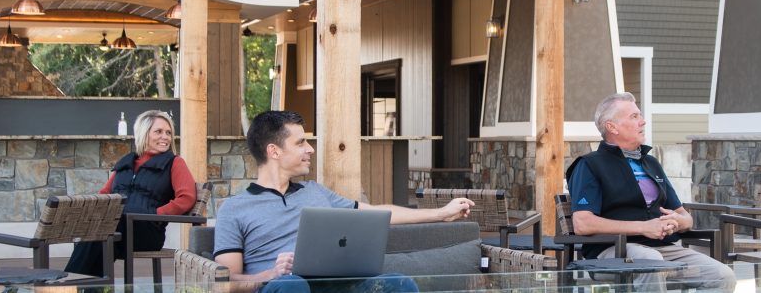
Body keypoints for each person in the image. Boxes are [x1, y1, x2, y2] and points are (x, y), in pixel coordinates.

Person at [212, 110, 474, 293]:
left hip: (336, 284)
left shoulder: (315, 192)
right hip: (281, 287)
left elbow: (375, 212)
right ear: (274, 151)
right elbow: (224, 281)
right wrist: (267, 276)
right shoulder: (235, 209)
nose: (310, 149)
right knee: (292, 285)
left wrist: (441, 213)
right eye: (301, 142)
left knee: (398, 283)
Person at [567, 92, 737, 291]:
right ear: (612, 127)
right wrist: (643, 227)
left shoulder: (650, 163)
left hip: (662, 248)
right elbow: (582, 223)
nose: (643, 121)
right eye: (634, 116)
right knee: (651, 263)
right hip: (613, 250)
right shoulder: (590, 165)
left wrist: (677, 222)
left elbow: (685, 217)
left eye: (639, 115)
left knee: (721, 275)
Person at [64, 110, 197, 277]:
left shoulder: (175, 163)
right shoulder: (127, 163)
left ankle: (65, 283)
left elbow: (187, 198)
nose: (166, 137)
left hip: (146, 230)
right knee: (97, 235)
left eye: (168, 133)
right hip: (117, 229)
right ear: (143, 133)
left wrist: (157, 214)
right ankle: (83, 285)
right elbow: (104, 194)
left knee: (101, 231)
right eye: (159, 132)